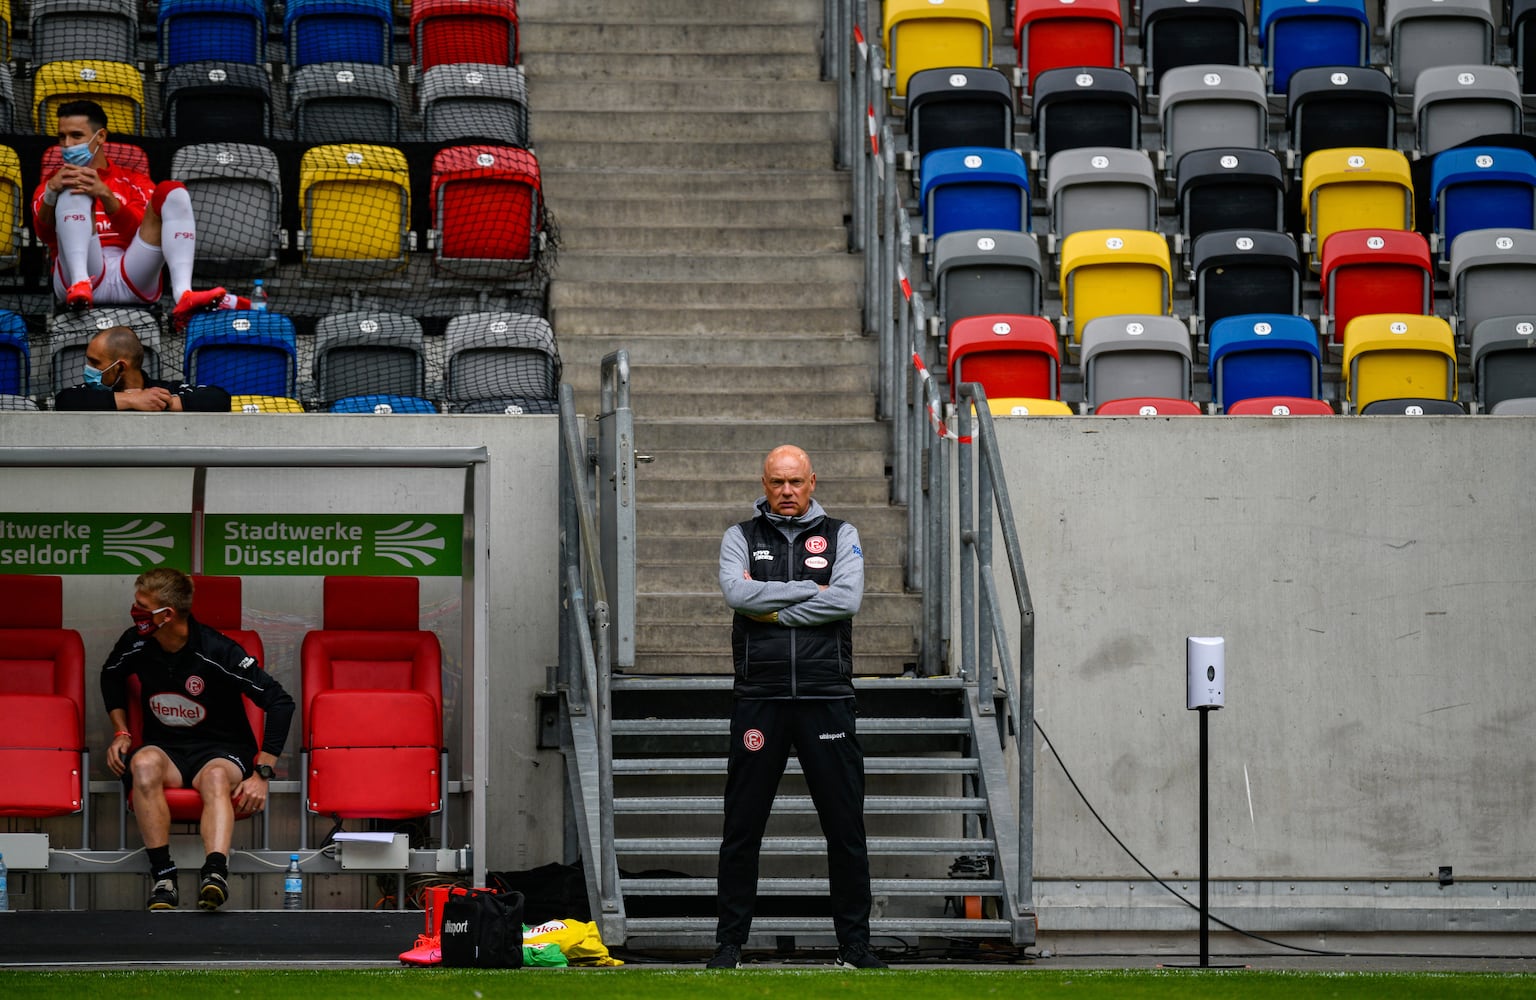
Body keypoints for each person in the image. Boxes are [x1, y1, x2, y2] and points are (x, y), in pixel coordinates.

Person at [709, 445, 886, 970]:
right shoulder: (739, 536)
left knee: (845, 828)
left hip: (826, 697)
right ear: (763, 484)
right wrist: (811, 589)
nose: (786, 492)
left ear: (813, 481)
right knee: (742, 828)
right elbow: (737, 595)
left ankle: (854, 946)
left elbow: (847, 601)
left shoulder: (842, 534)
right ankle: (730, 945)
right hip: (759, 699)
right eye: (776, 483)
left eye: (795, 482)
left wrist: (778, 612)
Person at [101, 568, 296, 912]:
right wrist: (121, 731)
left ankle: (215, 874)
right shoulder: (136, 642)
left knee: (216, 777)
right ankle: (164, 877)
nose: (135, 610)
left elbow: (279, 701)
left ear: (167, 615)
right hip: (168, 751)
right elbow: (111, 675)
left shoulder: (217, 650)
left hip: (222, 750)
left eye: (142, 606)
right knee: (142, 765)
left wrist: (263, 773)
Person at [31, 100, 248, 330]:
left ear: (101, 136)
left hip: (132, 273)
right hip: (79, 274)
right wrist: (52, 193)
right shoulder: (53, 181)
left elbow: (138, 233)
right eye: (62, 137)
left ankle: (184, 294)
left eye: (76, 136)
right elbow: (45, 235)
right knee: (72, 183)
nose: (67, 144)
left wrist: (106, 195)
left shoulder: (134, 181)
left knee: (172, 191)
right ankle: (80, 282)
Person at [53, 324, 231, 412]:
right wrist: (131, 400)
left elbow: (220, 398)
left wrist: (168, 403)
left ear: (121, 367)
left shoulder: (163, 391)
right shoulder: (87, 394)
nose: (88, 368)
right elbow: (63, 401)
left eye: (95, 362)